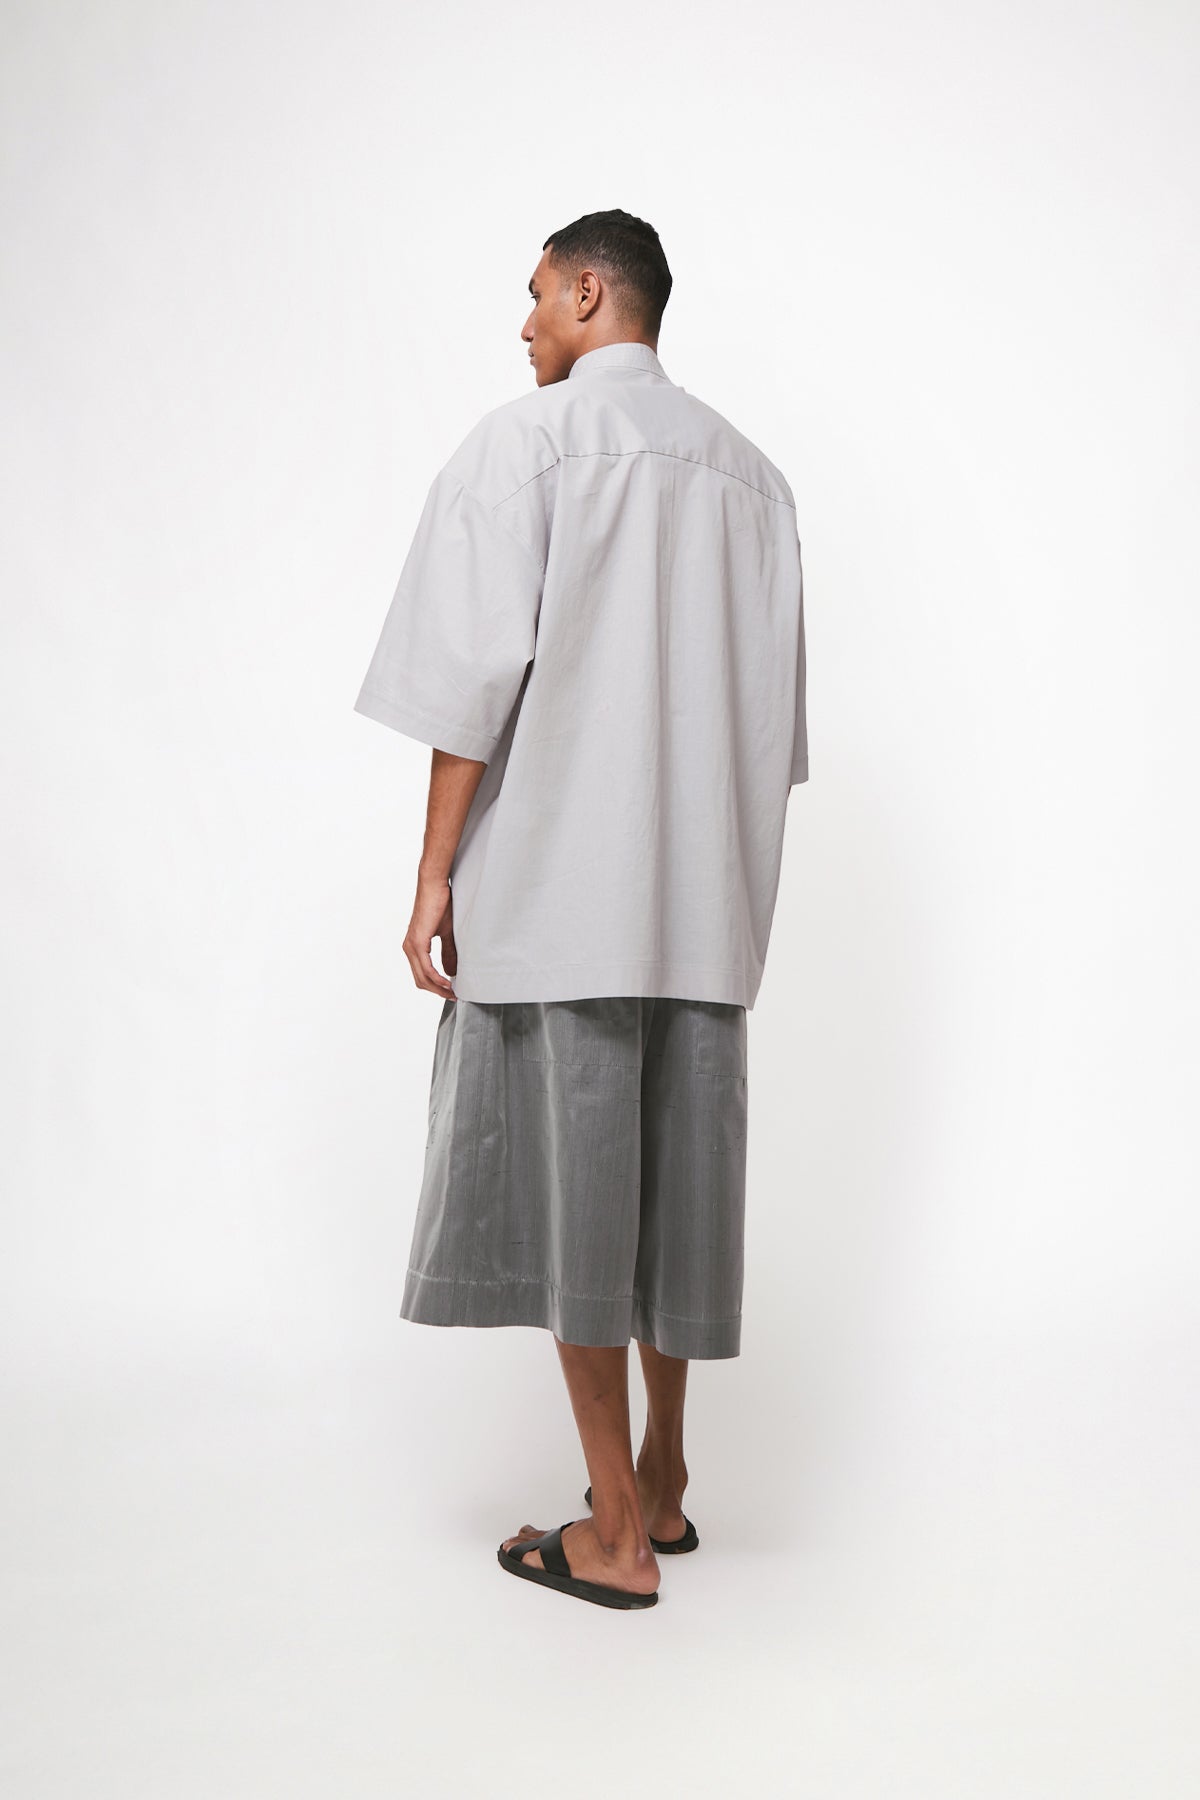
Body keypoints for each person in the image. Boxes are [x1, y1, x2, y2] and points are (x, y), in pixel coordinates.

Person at [353, 208, 808, 1611]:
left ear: (593, 292)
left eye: (540, 295)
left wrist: (434, 875)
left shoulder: (525, 448)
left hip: (562, 904)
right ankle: (663, 1477)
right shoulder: (754, 480)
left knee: (577, 1212)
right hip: (702, 911)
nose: (527, 323)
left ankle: (613, 1533)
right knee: (672, 1201)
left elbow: (467, 690)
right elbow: (775, 733)